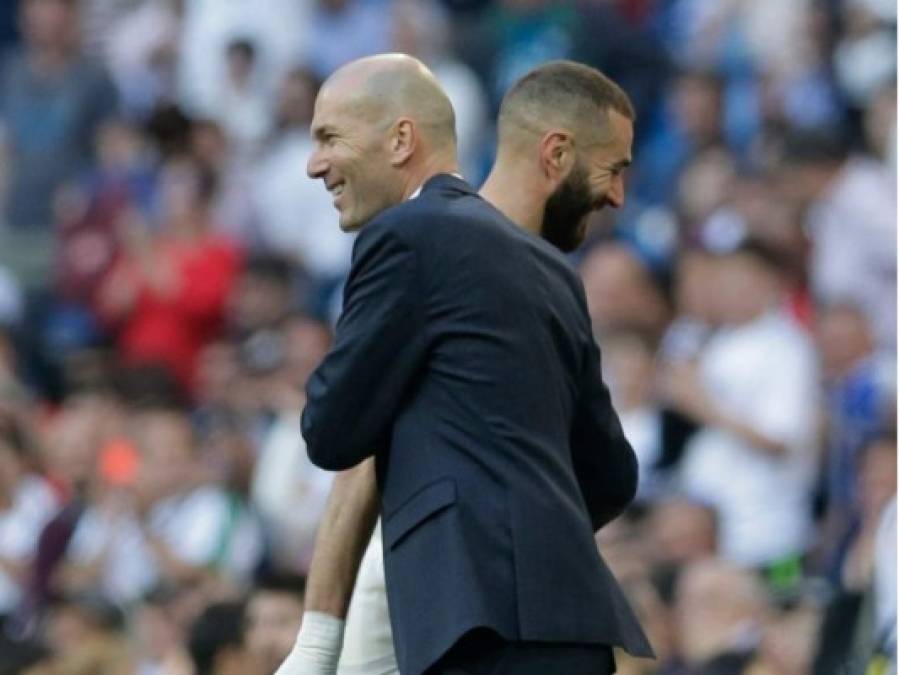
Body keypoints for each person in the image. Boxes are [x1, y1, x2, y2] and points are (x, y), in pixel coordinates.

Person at [280, 55, 651, 675]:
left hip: (472, 624)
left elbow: (332, 430)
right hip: (573, 626)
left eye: (328, 138)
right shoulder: (553, 270)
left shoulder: (411, 233)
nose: (315, 164)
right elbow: (611, 476)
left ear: (401, 140)